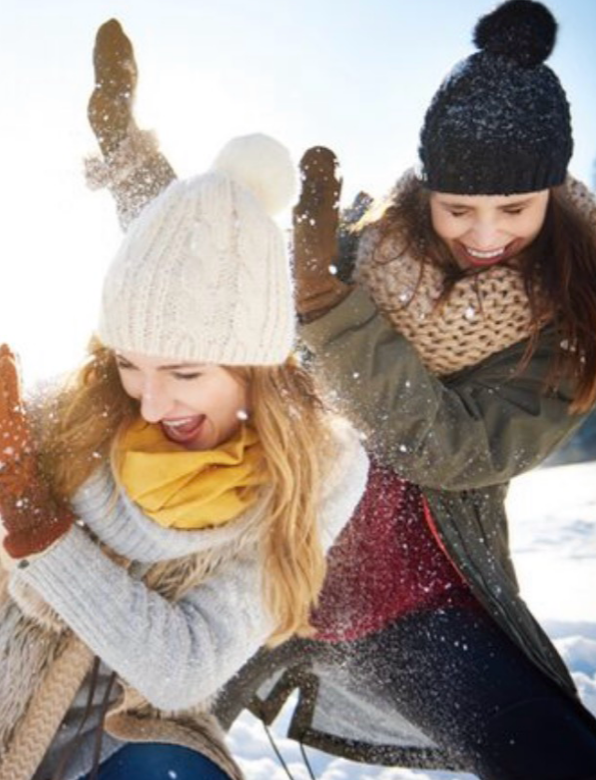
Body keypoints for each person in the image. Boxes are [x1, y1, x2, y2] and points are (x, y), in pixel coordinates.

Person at [82, 5, 596, 776]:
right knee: (133, 756)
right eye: (459, 209)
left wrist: (328, 311)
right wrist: (124, 147)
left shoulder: (568, 323)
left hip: (413, 608)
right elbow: (202, 270)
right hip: (255, 587)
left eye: (514, 211)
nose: (485, 236)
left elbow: (452, 451)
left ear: (552, 195)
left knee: (554, 756)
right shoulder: (354, 251)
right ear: (425, 193)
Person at [0, 134, 369, 780]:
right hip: (2, 713)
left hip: (138, 737)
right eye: (131, 364)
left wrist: (43, 536)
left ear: (257, 367)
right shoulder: (86, 413)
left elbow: (183, 668)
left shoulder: (317, 470)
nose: (154, 402)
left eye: (186, 373)